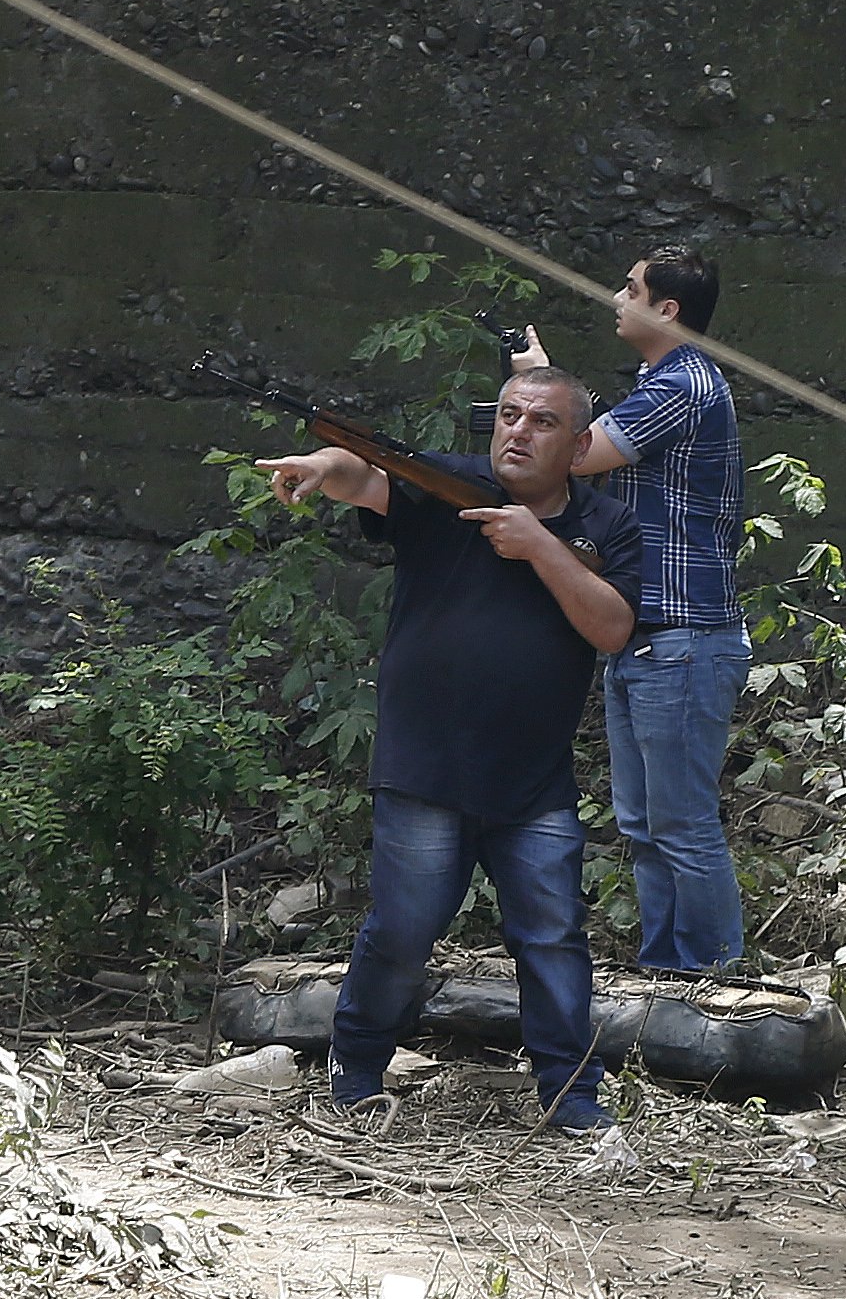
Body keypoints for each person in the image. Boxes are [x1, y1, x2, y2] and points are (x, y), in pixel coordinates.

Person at [256, 367, 643, 1132]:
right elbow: (363, 473)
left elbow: (612, 628)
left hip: (533, 782)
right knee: (402, 929)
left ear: (577, 445)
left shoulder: (606, 525)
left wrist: (539, 546)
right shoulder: (446, 485)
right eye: (508, 415)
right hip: (424, 766)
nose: (518, 431)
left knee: (554, 939)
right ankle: (356, 1070)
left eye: (540, 421)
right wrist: (318, 466)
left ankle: (572, 1096)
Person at [515, 245, 749, 974]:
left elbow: (577, 455)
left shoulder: (682, 383)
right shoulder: (661, 381)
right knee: (645, 826)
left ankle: (715, 985)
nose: (617, 296)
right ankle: (667, 976)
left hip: (683, 637)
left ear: (666, 309)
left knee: (680, 827)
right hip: (647, 639)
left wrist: (534, 388)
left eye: (630, 287)